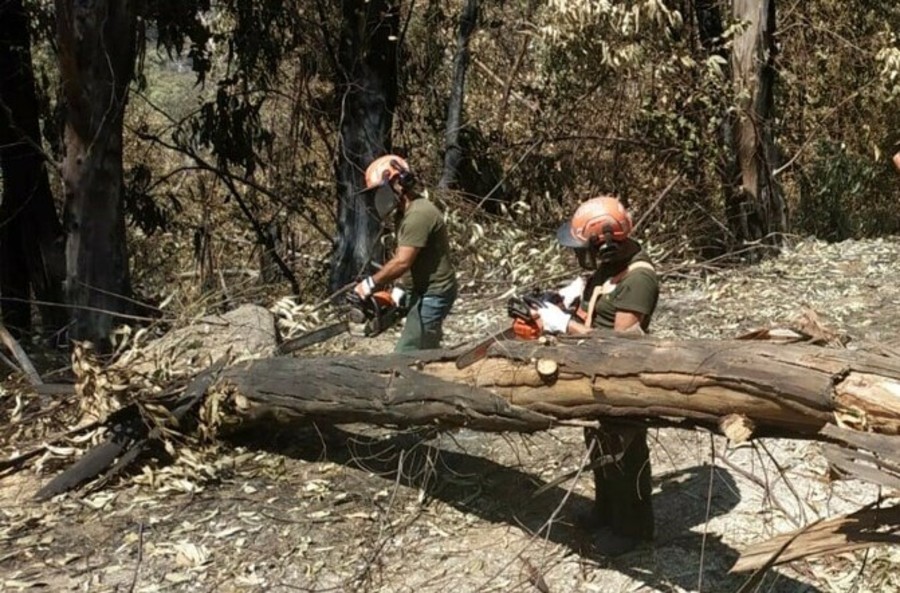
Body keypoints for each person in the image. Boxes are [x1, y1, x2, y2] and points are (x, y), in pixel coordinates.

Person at [533, 195, 660, 555]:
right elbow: (598, 296)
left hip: (621, 377)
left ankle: (633, 528)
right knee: (598, 444)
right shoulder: (610, 267)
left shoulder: (639, 279)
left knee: (624, 452)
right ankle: (607, 511)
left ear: (606, 240)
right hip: (593, 373)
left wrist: (564, 326)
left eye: (585, 247)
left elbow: (622, 343)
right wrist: (570, 296)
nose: (582, 255)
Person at [353, 154, 458, 353]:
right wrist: (399, 290)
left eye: (378, 191)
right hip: (419, 289)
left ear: (397, 183)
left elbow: (402, 262)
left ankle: (418, 378)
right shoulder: (404, 213)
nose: (376, 197)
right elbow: (408, 257)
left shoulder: (418, 215)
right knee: (426, 346)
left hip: (434, 293)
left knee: (407, 353)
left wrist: (370, 283)